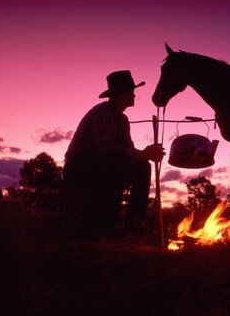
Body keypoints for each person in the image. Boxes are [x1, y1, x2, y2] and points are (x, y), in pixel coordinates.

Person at [64, 70, 164, 236]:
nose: (134, 96)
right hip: (80, 167)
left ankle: (134, 224)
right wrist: (142, 154)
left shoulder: (122, 120)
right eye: (132, 92)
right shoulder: (103, 112)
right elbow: (105, 148)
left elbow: (128, 152)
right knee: (121, 164)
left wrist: (146, 154)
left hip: (101, 165)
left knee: (141, 167)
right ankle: (114, 225)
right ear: (123, 94)